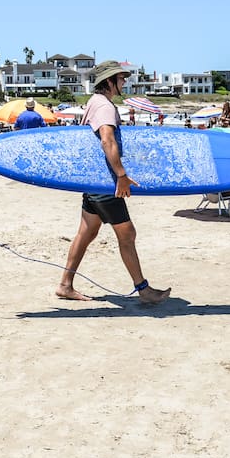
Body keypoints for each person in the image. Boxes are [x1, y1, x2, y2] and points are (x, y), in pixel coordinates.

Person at [57, 60, 170, 305]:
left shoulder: (93, 103)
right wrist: (121, 175)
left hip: (94, 182)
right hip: (107, 183)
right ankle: (144, 290)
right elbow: (107, 140)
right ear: (109, 82)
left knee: (87, 233)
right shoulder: (105, 107)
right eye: (120, 78)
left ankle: (65, 285)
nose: (124, 82)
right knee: (127, 234)